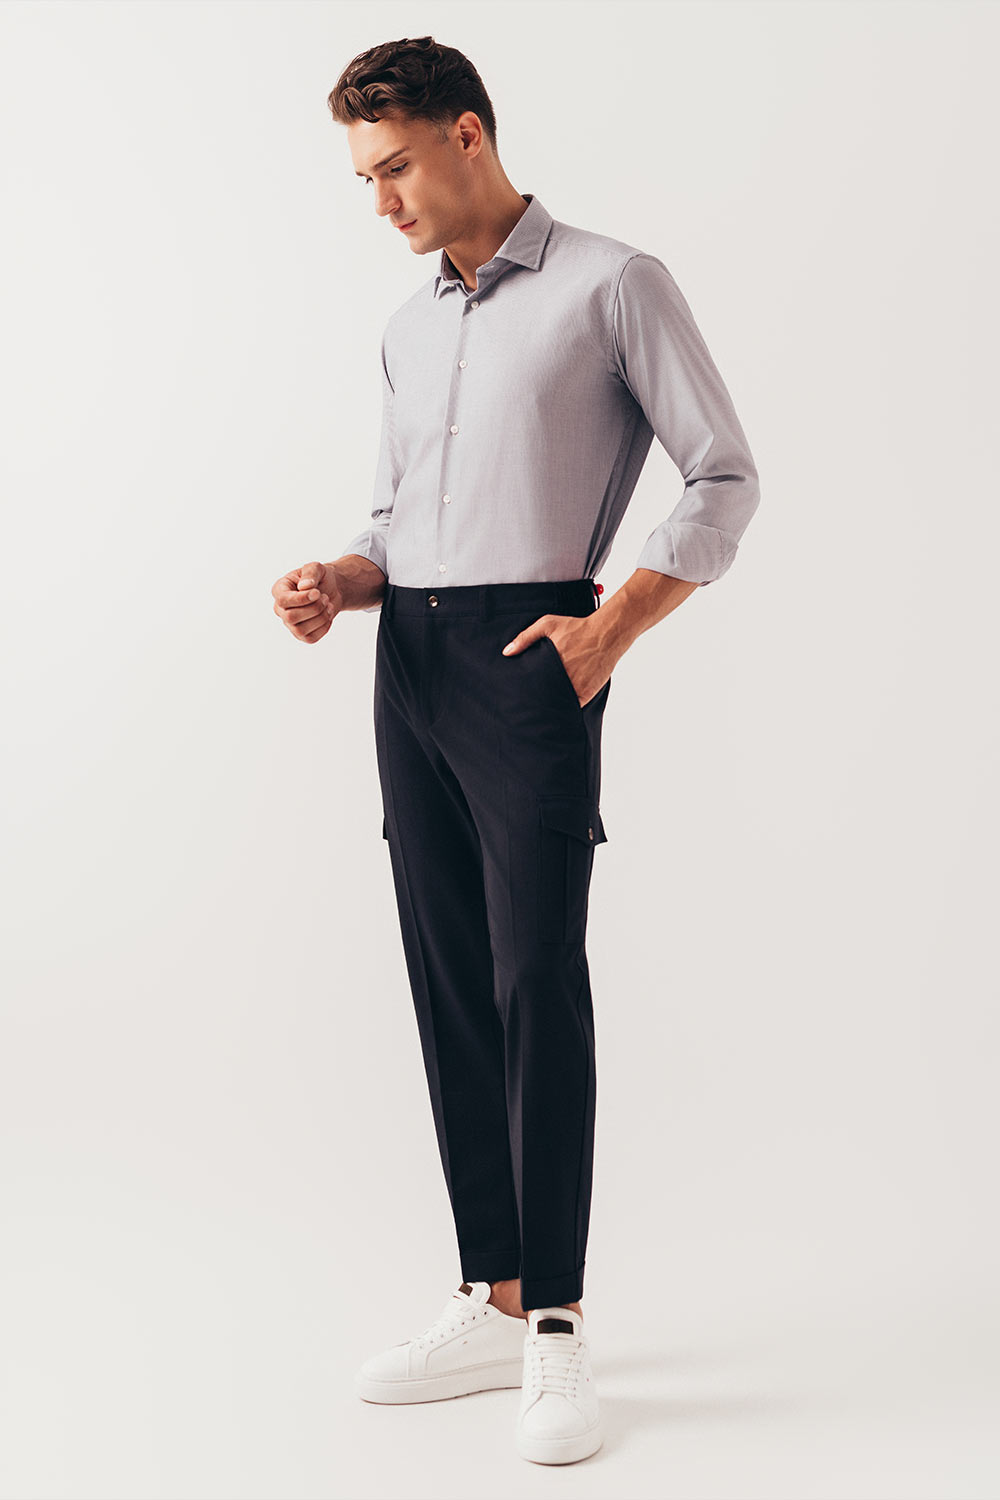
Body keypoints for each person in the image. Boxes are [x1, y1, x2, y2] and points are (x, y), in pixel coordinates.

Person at [271, 34, 760, 1467]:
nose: (380, 202)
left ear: (468, 134)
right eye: (364, 180)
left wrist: (613, 628)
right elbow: (395, 516)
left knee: (536, 974)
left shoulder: (613, 284)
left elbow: (725, 472)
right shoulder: (407, 323)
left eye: (395, 169)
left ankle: (555, 1320)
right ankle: (487, 1294)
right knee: (447, 977)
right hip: (410, 665)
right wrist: (341, 580)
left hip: (531, 652)